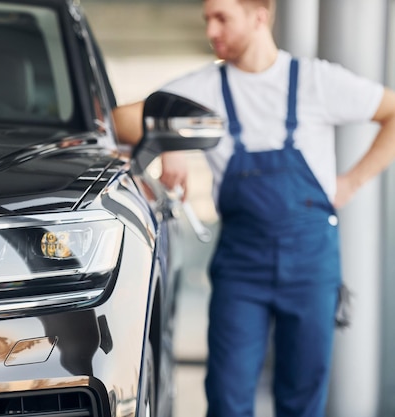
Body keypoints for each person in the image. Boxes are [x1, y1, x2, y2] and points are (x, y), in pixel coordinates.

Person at [112, 0, 395, 416]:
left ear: (260, 16)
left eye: (222, 18)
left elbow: (392, 111)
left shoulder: (316, 80)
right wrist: (167, 137)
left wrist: (350, 183)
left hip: (312, 266)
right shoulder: (202, 89)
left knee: (302, 399)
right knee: (227, 398)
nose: (211, 30)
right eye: (207, 19)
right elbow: (118, 120)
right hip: (242, 268)